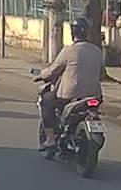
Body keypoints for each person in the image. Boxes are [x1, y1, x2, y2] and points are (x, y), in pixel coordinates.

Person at [35, 17, 103, 148]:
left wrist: (41, 75)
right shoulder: (97, 51)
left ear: (73, 33)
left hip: (69, 96)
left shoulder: (69, 51)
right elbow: (102, 74)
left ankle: (50, 138)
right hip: (94, 95)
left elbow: (53, 70)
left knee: (47, 101)